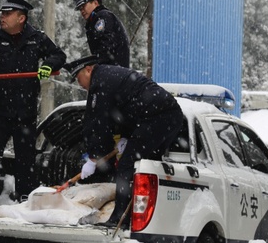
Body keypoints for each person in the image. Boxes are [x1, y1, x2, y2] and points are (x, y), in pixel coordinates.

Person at [0, 0, 66, 212]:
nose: (2, 17)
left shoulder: (36, 38)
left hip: (25, 113)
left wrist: (48, 66)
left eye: (7, 13)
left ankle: (26, 203)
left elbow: (58, 56)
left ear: (21, 18)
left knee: (26, 161)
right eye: (1, 13)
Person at [65, 57, 183, 228]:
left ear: (89, 70)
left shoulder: (101, 83)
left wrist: (93, 159)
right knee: (148, 167)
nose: (79, 83)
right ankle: (148, 216)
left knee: (127, 165)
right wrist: (126, 137)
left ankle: (119, 218)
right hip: (168, 115)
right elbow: (126, 109)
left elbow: (99, 124)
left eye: (78, 77)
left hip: (157, 117)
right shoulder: (108, 76)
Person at [71, 0, 130, 68]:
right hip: (114, 69)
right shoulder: (97, 18)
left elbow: (106, 47)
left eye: (84, 6)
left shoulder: (102, 16)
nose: (82, 11)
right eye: (80, 9)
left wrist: (95, 65)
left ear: (95, 3)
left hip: (112, 70)